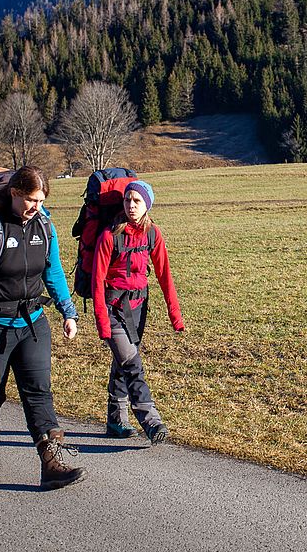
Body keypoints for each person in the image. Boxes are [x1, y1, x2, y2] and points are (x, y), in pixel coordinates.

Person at [0, 165, 85, 489]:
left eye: (41, 201)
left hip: (32, 323)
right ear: (15, 193)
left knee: (39, 393)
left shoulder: (44, 226)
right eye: (31, 200)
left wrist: (68, 312)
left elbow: (53, 271)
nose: (36, 207)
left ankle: (51, 464)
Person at [91, 179, 185, 444]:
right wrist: (102, 322)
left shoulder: (153, 234)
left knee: (123, 361)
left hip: (139, 307)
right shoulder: (110, 235)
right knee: (132, 364)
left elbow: (165, 276)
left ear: (147, 205)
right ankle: (151, 421)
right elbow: (97, 281)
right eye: (127, 200)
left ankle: (115, 419)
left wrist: (175, 316)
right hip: (113, 308)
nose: (131, 206)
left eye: (137, 201)